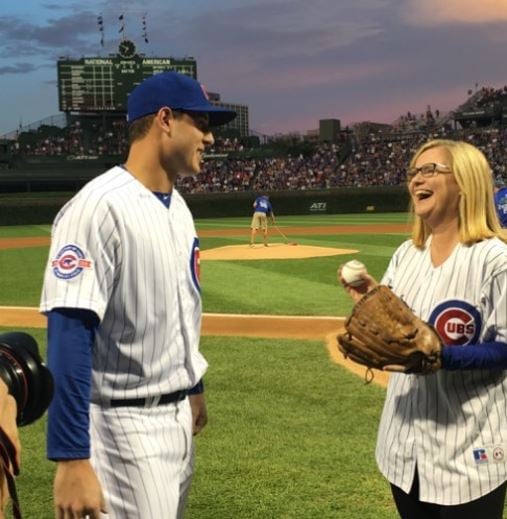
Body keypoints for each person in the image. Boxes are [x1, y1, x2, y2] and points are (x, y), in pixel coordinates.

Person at [40, 71, 236, 518]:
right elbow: (68, 332)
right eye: (201, 124)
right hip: (122, 428)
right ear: (165, 120)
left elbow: (180, 308)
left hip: (175, 419)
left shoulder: (179, 207)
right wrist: (71, 458)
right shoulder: (97, 207)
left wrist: (194, 386)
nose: (209, 137)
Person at [340, 139, 507, 518]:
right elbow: (397, 321)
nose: (417, 178)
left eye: (431, 170)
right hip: (403, 449)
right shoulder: (406, 254)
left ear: (465, 181)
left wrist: (443, 357)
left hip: (468, 454)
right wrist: (371, 294)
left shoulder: (495, 260)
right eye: (414, 171)